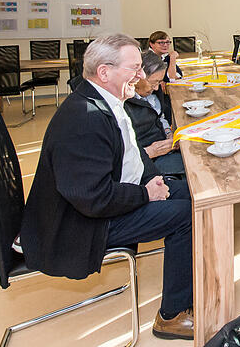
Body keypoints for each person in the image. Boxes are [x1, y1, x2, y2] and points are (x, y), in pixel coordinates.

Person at [20, 34, 195, 340]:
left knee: (194, 195)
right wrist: (145, 193)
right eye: (135, 68)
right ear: (104, 72)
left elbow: (126, 156)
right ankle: (171, 316)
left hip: (108, 197)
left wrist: (149, 178)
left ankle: (190, 282)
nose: (141, 76)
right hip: (82, 223)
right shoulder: (84, 119)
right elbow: (93, 198)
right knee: (186, 216)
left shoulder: (103, 101)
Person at [124, 51, 185, 176]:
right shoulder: (123, 105)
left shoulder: (153, 94)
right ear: (137, 77)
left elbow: (160, 117)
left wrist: (168, 134)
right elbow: (122, 153)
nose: (156, 88)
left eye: (159, 82)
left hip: (165, 150)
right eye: (153, 82)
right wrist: (150, 151)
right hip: (146, 163)